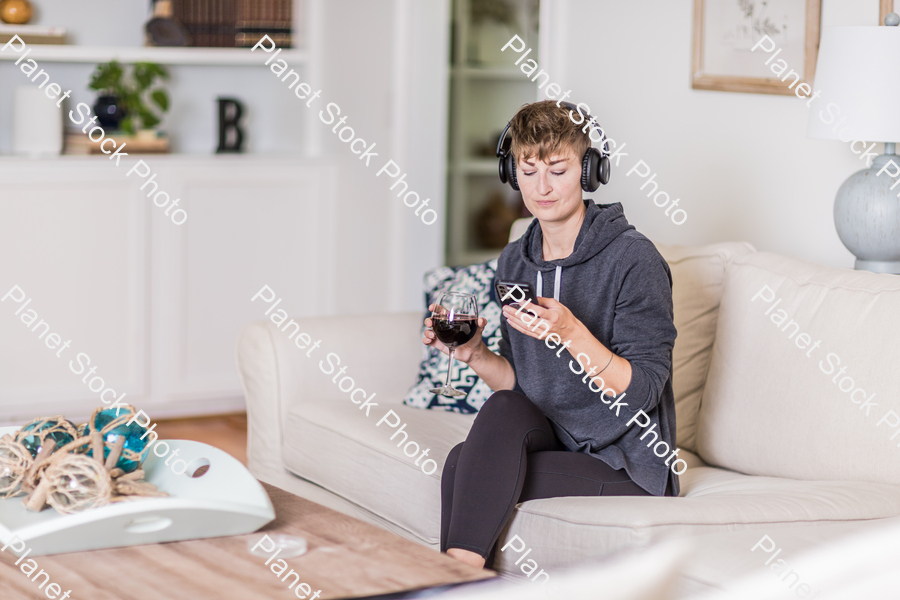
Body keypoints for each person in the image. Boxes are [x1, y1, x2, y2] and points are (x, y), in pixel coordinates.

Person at [422, 100, 679, 570]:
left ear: (589, 171)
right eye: (529, 169)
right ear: (510, 171)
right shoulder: (516, 259)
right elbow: (522, 388)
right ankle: (458, 580)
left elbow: (641, 392)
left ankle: (451, 579)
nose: (541, 187)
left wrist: (572, 332)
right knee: (484, 431)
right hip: (557, 439)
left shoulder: (634, 261)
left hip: (627, 461)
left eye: (558, 170)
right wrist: (475, 353)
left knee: (466, 466)